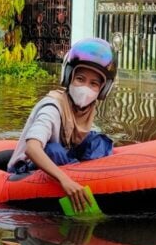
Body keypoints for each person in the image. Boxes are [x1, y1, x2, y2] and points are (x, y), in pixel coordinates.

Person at [7, 37, 116, 211]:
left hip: (66, 162)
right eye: (80, 79)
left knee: (98, 141)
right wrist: (65, 179)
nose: (85, 88)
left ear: (102, 89)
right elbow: (32, 148)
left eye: (94, 83)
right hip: (24, 171)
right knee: (54, 151)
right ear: (69, 77)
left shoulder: (87, 112)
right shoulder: (52, 107)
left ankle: (89, 182)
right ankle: (77, 187)